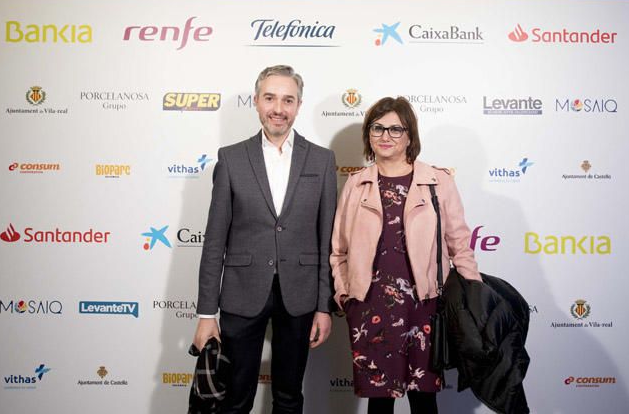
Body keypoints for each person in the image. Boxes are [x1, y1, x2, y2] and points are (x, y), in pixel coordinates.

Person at [193, 65, 337, 414]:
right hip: (242, 292)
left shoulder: (322, 159)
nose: (278, 108)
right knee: (235, 397)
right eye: (270, 98)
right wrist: (206, 313)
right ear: (256, 102)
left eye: (288, 100)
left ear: (299, 105)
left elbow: (327, 239)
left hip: (300, 295)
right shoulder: (231, 158)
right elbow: (214, 241)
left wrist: (323, 305)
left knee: (289, 396)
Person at [330, 97, 481, 414]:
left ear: (410, 135)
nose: (386, 136)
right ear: (369, 135)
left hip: (424, 305)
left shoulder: (438, 181)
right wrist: (346, 293)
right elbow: (339, 250)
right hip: (369, 306)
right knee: (379, 401)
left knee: (425, 399)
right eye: (378, 127)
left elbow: (459, 243)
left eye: (396, 129)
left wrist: (473, 292)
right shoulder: (357, 184)